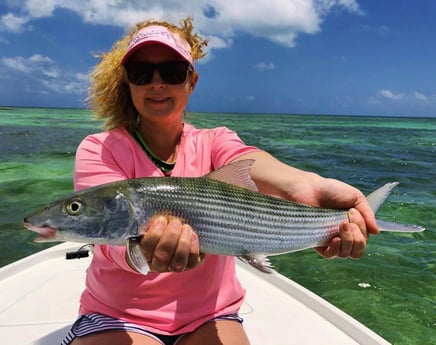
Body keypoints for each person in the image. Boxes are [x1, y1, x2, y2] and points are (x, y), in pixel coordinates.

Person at [63, 17, 379, 345]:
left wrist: (303, 184)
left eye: (171, 72)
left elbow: (248, 161)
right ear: (127, 82)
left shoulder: (215, 140)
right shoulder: (99, 148)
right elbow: (108, 236)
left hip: (209, 314)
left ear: (192, 80)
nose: (157, 84)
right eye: (142, 73)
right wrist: (140, 251)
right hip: (118, 314)